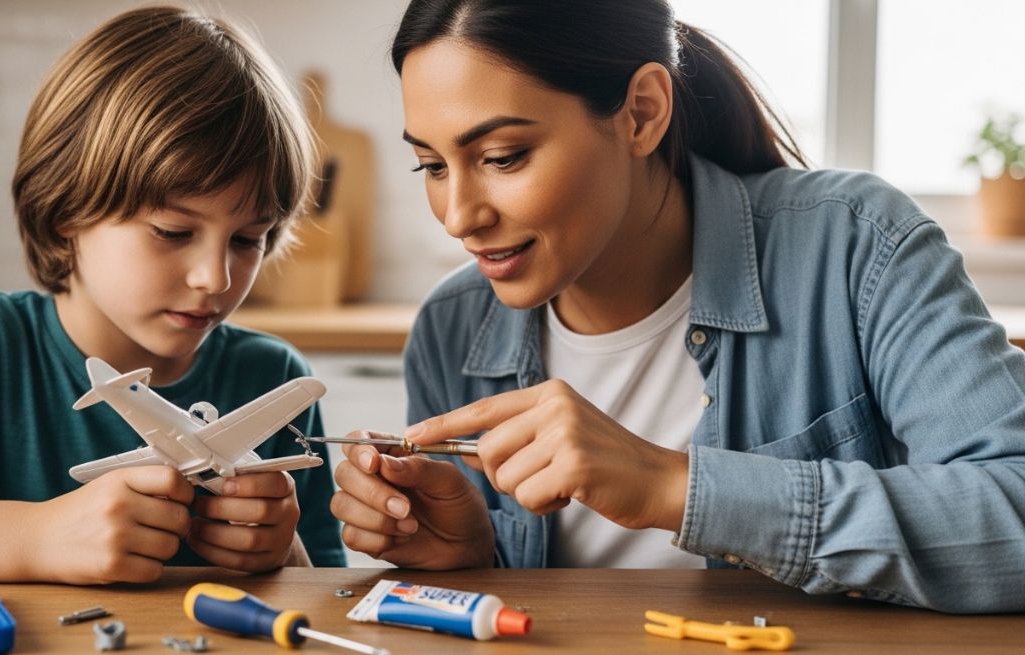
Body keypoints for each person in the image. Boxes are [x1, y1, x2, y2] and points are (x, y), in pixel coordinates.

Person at [329, 0, 1025, 612]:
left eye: (504, 156)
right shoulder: (452, 330)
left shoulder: (854, 247)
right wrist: (472, 561)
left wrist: (675, 486)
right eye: (432, 165)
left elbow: (1012, 513)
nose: (457, 216)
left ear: (642, 112)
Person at [0, 6, 345, 583]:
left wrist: (282, 553)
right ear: (68, 211)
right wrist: (34, 539)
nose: (214, 279)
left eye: (250, 238)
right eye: (173, 232)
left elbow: (328, 596)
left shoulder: (273, 376)